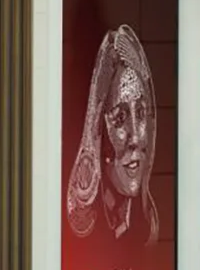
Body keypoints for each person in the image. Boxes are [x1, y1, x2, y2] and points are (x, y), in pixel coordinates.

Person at [67, 24, 162, 246]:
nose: (136, 138)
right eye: (119, 118)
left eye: (141, 113)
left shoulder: (145, 228)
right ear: (97, 131)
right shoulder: (84, 243)